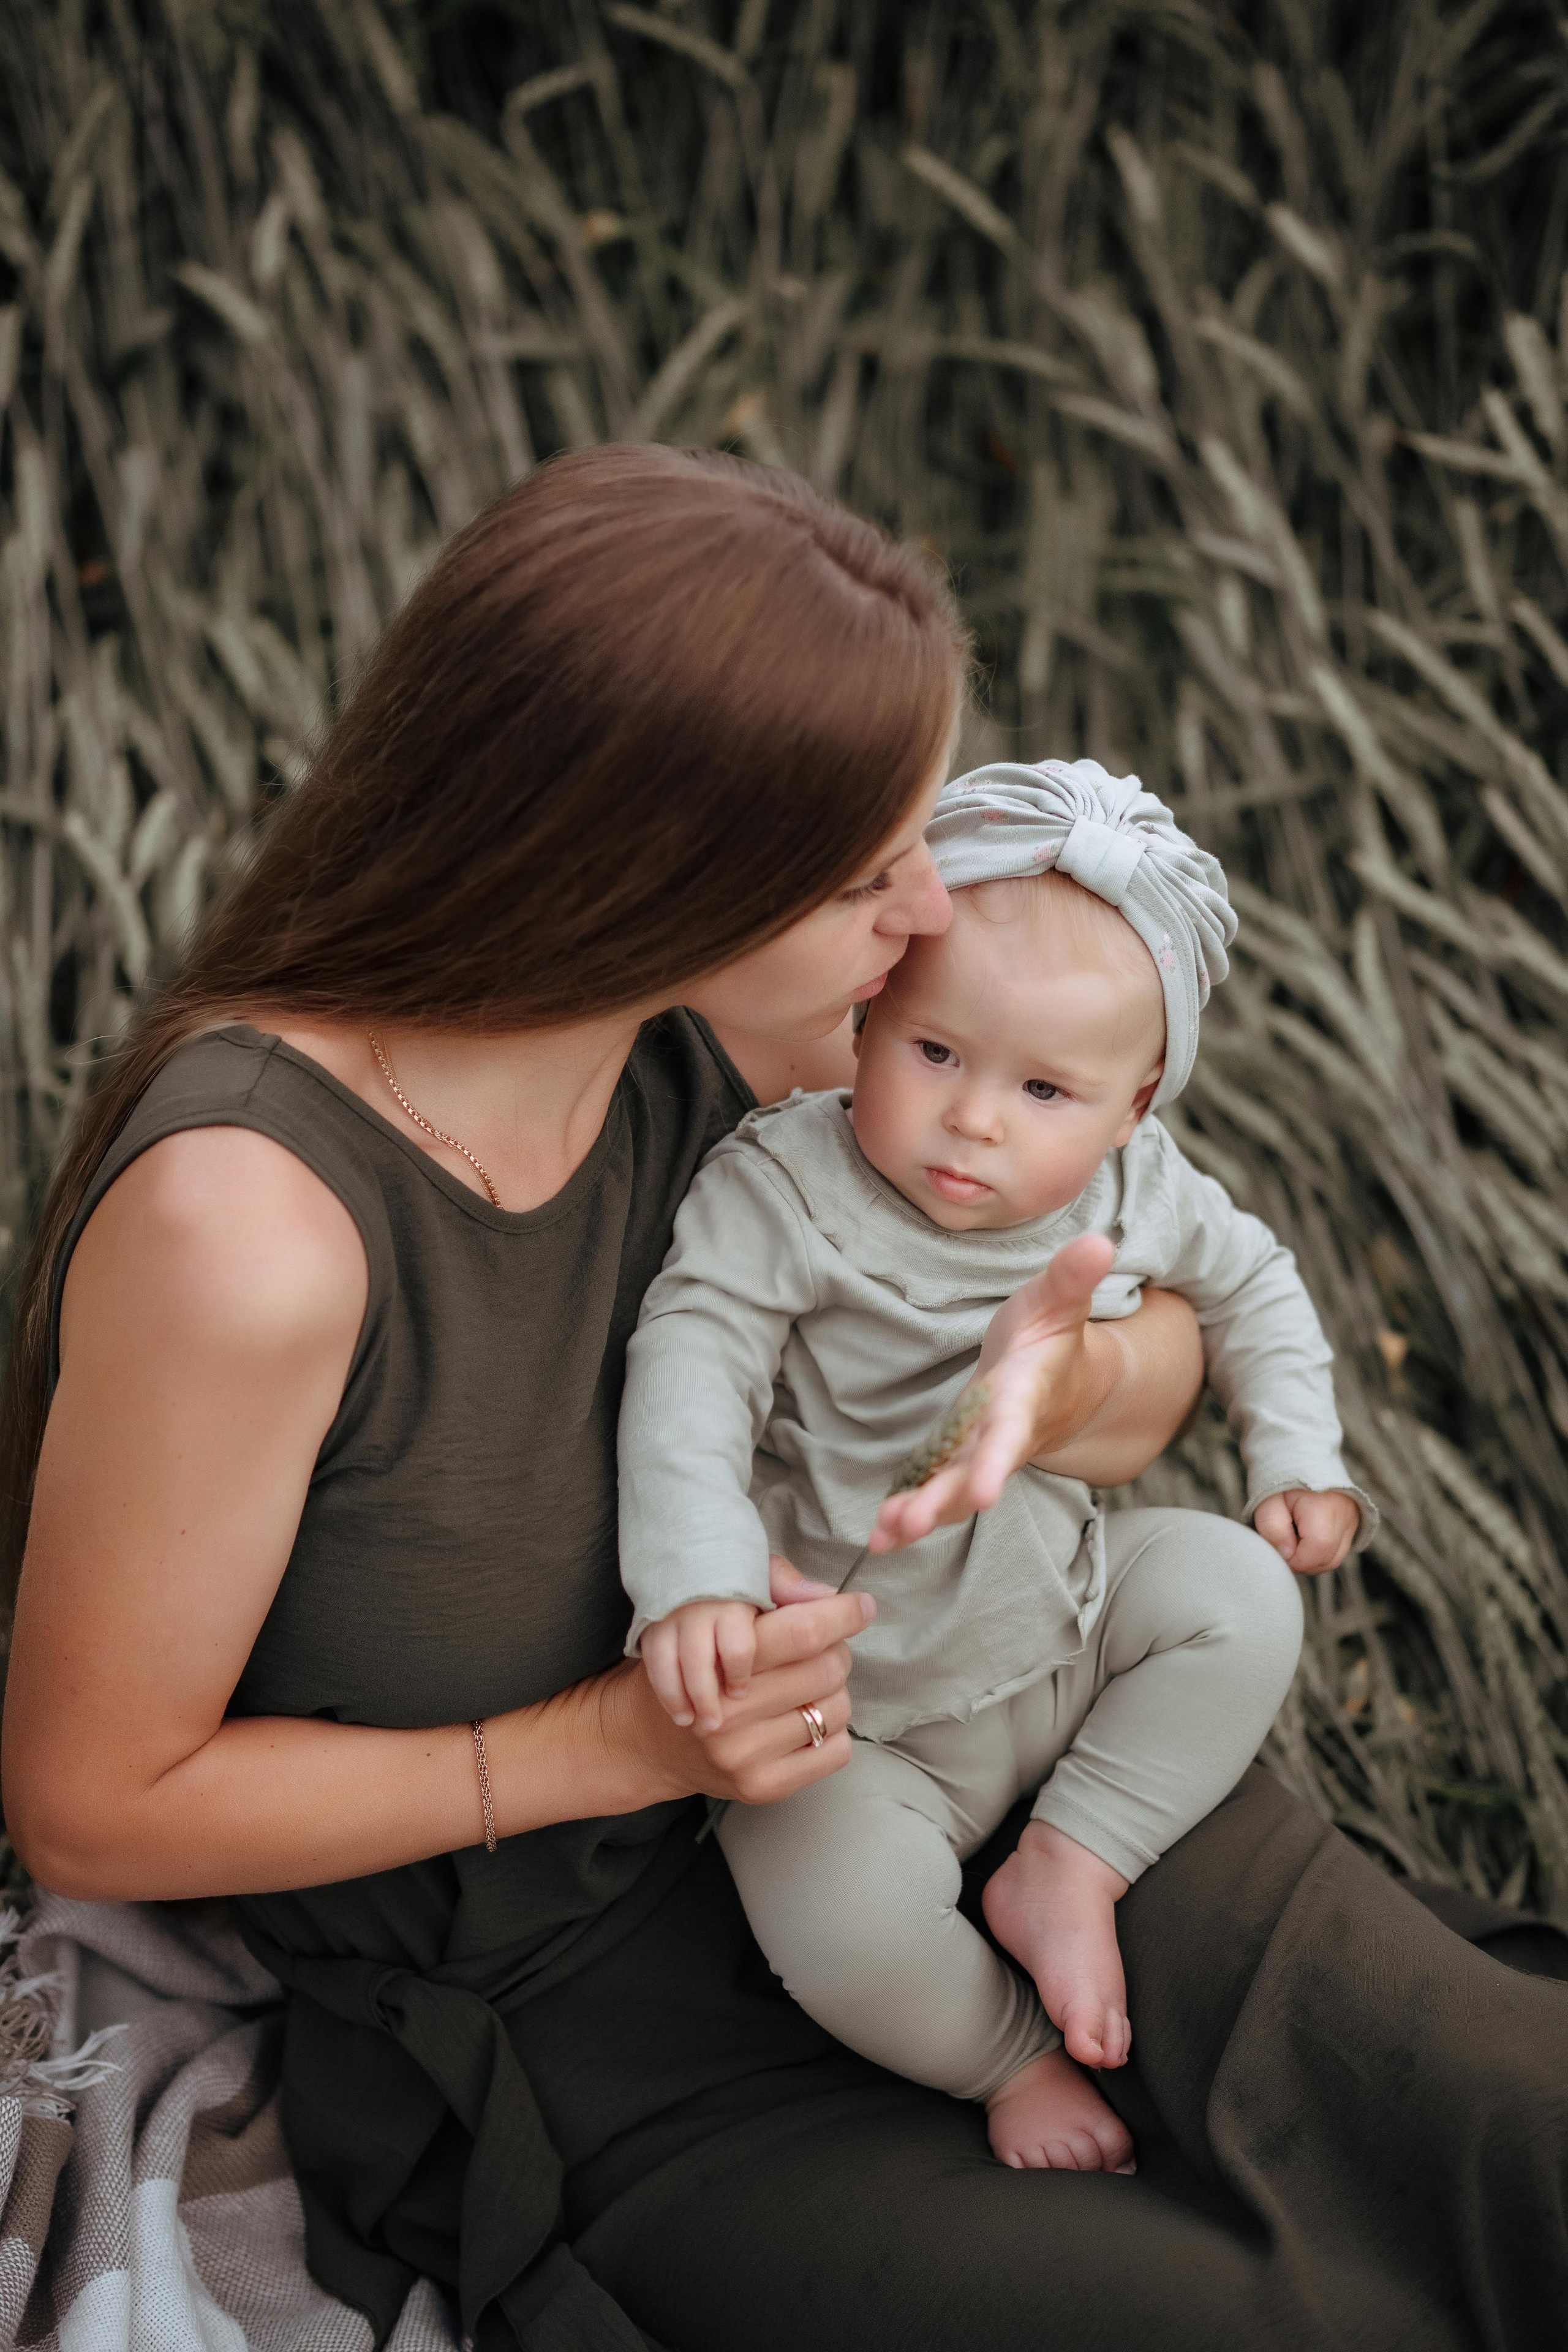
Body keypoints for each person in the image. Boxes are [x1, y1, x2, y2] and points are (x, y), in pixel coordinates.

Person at [1, 447, 1564, 2352]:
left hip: (981, 1765)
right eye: (864, 871)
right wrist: (626, 1748)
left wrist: (1045, 1386)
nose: (925, 914)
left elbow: (1141, 1374)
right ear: (650, 876)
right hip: (593, 2005)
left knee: (1510, 2138)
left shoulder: (766, 1027)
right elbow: (91, 1805)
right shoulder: (258, 1232)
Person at [620, 758, 1371, 2173]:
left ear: (1133, 1105)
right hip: (859, 1716)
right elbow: (687, 1371)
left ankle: (1071, 1857)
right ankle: (1004, 2058)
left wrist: (1296, 1453)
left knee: (1232, 1592)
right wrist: (698, 1581)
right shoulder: (780, 1186)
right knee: (832, 1921)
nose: (975, 1120)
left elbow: (1255, 1284)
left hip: (1065, 1622)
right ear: (867, 1017)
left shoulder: (1135, 1191)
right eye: (934, 1055)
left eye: (1042, 1088)